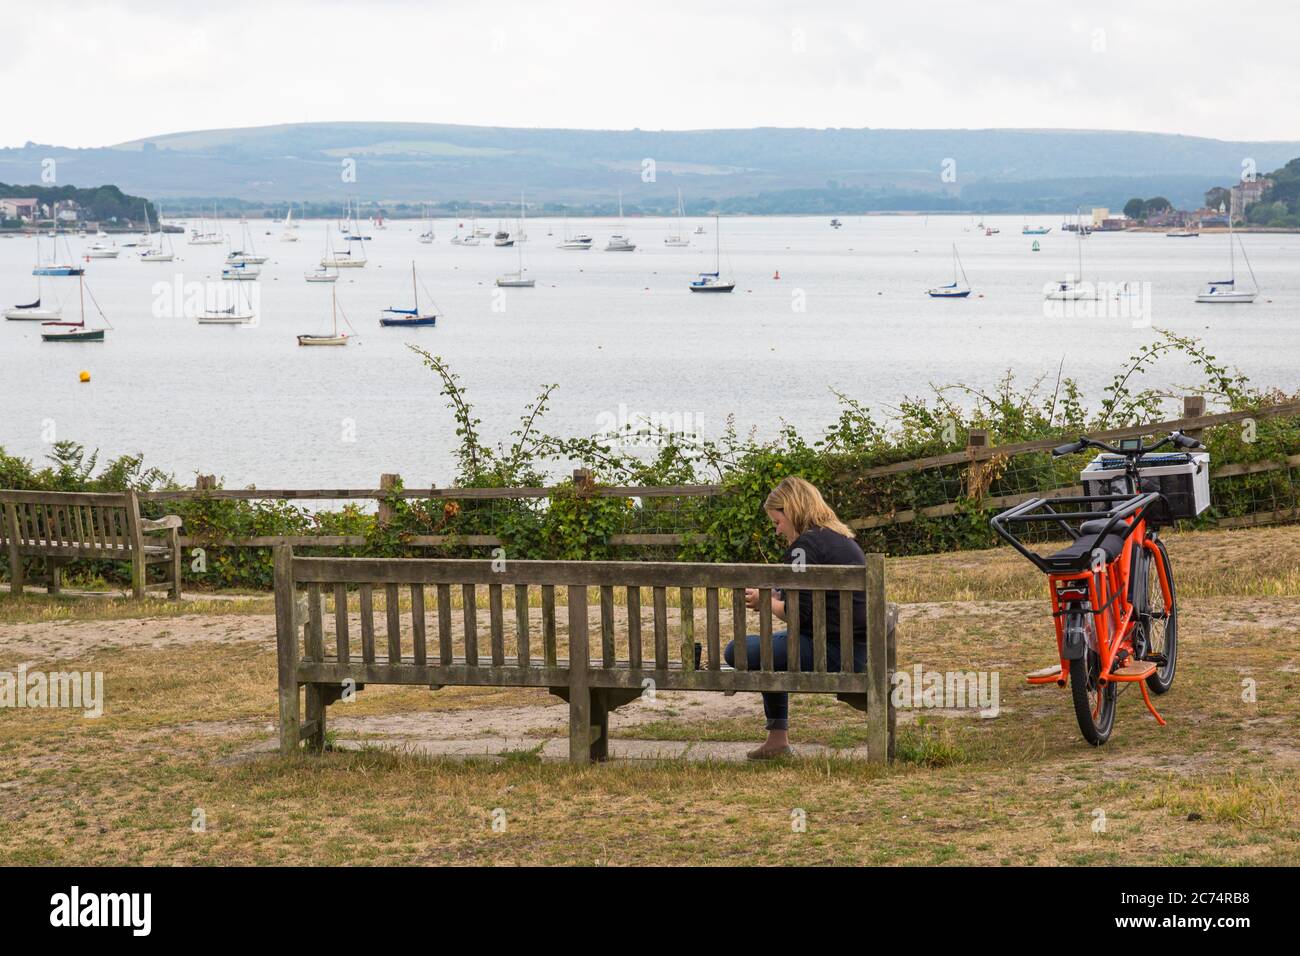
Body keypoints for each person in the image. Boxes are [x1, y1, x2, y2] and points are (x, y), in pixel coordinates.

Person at [724, 476, 867, 760]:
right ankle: (777, 741)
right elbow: (805, 596)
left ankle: (778, 738)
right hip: (858, 649)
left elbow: (798, 614)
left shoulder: (803, 546)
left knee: (738, 650)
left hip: (835, 653)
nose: (777, 530)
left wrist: (766, 603)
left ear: (791, 511)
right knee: (769, 650)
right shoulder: (837, 538)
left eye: (777, 521)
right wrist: (776, 594)